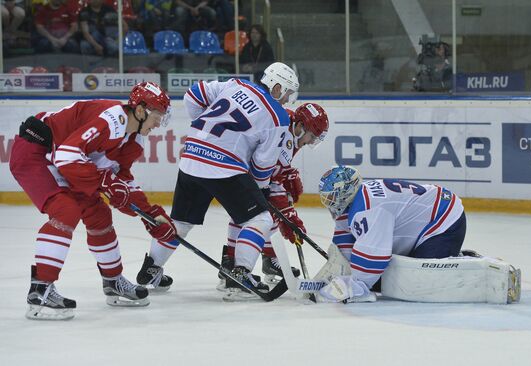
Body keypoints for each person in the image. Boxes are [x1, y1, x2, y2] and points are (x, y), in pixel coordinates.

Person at [9, 82, 177, 320]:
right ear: (140, 111)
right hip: (36, 151)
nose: (159, 123)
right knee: (65, 211)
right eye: (157, 115)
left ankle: (113, 281)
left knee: (99, 214)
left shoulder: (134, 141)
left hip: (60, 159)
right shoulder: (112, 119)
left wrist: (150, 214)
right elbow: (67, 155)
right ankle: (40, 291)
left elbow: (122, 181)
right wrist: (105, 181)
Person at [136, 62, 300, 298]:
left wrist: (204, 131)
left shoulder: (235, 84)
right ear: (276, 87)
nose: (287, 100)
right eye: (286, 93)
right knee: (259, 219)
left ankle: (150, 268)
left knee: (181, 221)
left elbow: (193, 95)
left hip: (191, 155)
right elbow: (262, 166)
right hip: (224, 166)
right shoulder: (278, 116)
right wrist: (260, 191)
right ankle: (240, 276)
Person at [217, 103, 329, 294]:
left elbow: (274, 173)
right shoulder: (284, 133)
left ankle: (253, 261)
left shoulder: (293, 130)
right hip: (236, 170)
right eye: (311, 136)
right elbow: (271, 181)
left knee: (257, 214)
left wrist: (286, 173)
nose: (311, 142)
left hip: (241, 170)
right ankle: (234, 267)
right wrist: (291, 219)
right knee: (256, 216)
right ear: (301, 126)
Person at [317, 166, 466, 303]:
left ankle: (458, 257)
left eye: (332, 198)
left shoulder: (370, 208)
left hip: (444, 221)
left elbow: (374, 257)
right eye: (327, 199)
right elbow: (344, 235)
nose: (331, 204)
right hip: (430, 213)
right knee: (390, 276)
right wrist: (344, 266)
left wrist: (353, 286)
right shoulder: (356, 199)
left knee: (416, 284)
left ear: (346, 192)